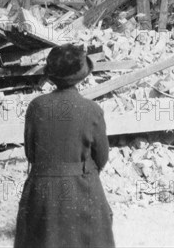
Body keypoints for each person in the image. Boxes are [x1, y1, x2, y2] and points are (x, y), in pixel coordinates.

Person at [14, 44, 115, 248]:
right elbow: (102, 157)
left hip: (42, 192)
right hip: (82, 188)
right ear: (81, 76)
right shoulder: (92, 110)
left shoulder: (36, 106)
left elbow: (31, 153)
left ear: (52, 76)